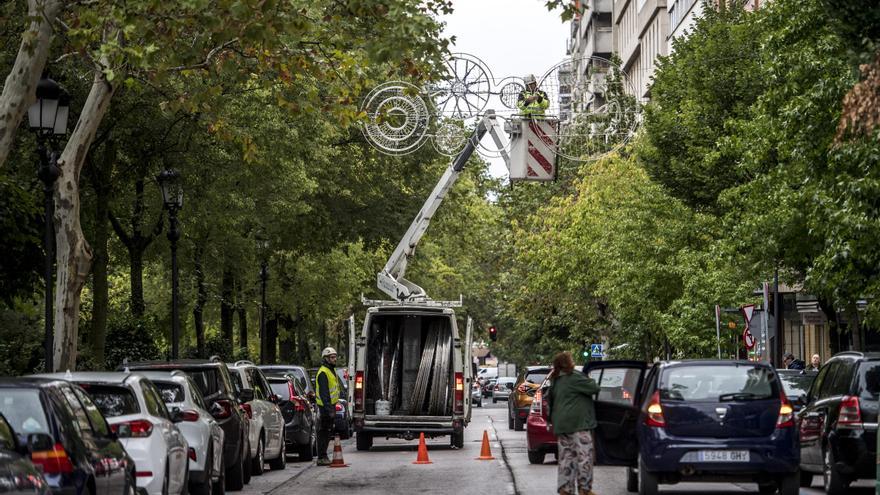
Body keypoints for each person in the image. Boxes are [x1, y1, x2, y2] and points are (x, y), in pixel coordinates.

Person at [546, 351, 599, 495]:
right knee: (584, 457)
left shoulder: (555, 380)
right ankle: (585, 489)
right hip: (579, 424)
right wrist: (588, 378)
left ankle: (565, 489)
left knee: (566, 458)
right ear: (567, 363)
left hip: (561, 426)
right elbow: (594, 388)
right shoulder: (575, 377)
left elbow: (550, 400)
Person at [315, 347, 340, 465]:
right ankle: (321, 457)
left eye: (335, 357)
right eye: (332, 357)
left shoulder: (330, 370)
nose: (335, 359)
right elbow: (324, 394)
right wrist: (329, 409)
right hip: (325, 407)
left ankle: (323, 456)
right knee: (323, 432)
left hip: (330, 406)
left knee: (327, 432)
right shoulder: (323, 373)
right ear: (326, 359)